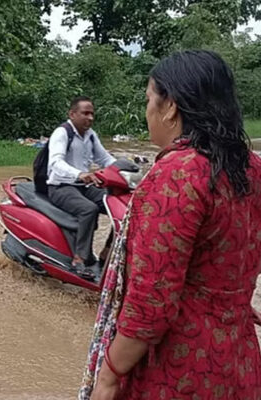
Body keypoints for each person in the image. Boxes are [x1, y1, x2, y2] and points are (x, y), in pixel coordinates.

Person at [86, 50, 261, 399]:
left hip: (179, 369)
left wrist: (109, 374)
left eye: (150, 99)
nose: (148, 109)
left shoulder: (176, 175)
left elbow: (150, 306)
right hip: (239, 359)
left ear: (171, 106)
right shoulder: (250, 168)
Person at [47, 96, 116, 276]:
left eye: (92, 114)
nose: (90, 118)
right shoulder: (62, 133)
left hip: (83, 186)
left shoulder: (91, 135)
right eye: (85, 113)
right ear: (72, 114)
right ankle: (80, 258)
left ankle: (107, 253)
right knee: (89, 209)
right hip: (61, 186)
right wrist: (79, 173)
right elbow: (55, 162)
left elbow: (104, 159)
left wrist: (124, 169)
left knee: (115, 203)